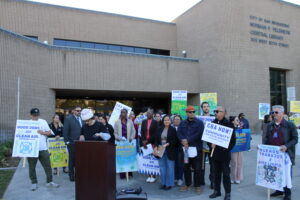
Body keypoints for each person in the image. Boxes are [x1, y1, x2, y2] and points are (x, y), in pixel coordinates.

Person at [264, 105, 298, 200]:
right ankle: (279, 190)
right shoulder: (270, 125)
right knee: (276, 173)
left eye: (276, 112)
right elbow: (267, 139)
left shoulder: (290, 125)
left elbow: (295, 139)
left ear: (282, 113)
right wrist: (263, 148)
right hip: (274, 155)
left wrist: (286, 146)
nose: (274, 114)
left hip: (286, 155)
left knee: (287, 174)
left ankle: (287, 193)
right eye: (272, 112)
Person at [28, 108, 59, 191]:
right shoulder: (27, 123)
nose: (36, 117)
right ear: (31, 115)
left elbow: (50, 132)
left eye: (37, 115)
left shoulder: (43, 121)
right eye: (34, 115)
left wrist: (43, 133)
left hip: (43, 148)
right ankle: (34, 183)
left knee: (48, 166)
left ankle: (49, 181)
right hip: (32, 149)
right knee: (31, 167)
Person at [209, 106, 236, 200]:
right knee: (216, 174)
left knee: (226, 175)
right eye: (215, 111)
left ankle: (228, 193)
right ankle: (217, 191)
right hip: (215, 154)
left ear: (224, 113)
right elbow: (209, 137)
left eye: (218, 111)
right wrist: (210, 144)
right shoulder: (212, 123)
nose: (216, 113)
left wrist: (226, 149)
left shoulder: (229, 124)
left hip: (224, 155)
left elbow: (233, 141)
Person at [177, 106, 204, 194]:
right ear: (187, 113)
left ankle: (197, 185)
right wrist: (182, 140)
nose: (192, 113)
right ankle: (187, 184)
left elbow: (199, 134)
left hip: (196, 149)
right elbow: (179, 133)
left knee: (197, 168)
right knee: (186, 167)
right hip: (185, 150)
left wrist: (187, 140)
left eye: (193, 111)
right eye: (190, 112)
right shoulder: (182, 123)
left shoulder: (200, 123)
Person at [154, 115, 179, 190]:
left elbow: (176, 140)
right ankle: (163, 183)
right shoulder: (159, 129)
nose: (166, 121)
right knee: (162, 167)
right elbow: (156, 139)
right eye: (165, 120)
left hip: (169, 149)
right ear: (163, 121)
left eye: (168, 120)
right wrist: (155, 147)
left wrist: (168, 144)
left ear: (170, 121)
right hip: (160, 149)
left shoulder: (173, 129)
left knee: (170, 167)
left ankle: (169, 184)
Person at [114, 109, 136, 179]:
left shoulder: (130, 122)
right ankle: (122, 175)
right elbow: (115, 133)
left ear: (127, 114)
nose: (123, 114)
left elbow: (133, 131)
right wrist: (117, 137)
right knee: (122, 158)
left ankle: (129, 173)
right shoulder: (117, 122)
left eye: (124, 112)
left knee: (128, 158)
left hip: (128, 143)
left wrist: (132, 137)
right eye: (121, 112)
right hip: (121, 143)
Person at [63, 106, 83, 182]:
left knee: (79, 159)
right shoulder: (69, 119)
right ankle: (71, 175)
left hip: (81, 143)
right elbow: (65, 131)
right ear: (73, 111)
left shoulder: (82, 118)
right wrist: (67, 142)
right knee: (72, 160)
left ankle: (79, 174)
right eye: (77, 110)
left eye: (80, 110)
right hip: (72, 143)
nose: (79, 112)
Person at [200, 101, 215, 189]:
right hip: (201, 145)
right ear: (202, 108)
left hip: (211, 146)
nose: (206, 108)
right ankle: (201, 181)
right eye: (204, 106)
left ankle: (212, 182)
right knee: (201, 165)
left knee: (212, 165)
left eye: (207, 106)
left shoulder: (214, 118)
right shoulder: (199, 118)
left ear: (209, 108)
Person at [141, 108, 158, 183]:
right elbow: (142, 132)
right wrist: (143, 141)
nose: (148, 114)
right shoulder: (144, 121)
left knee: (153, 160)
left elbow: (155, 134)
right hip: (145, 143)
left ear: (153, 114)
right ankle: (149, 175)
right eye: (147, 113)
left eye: (150, 113)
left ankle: (153, 175)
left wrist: (148, 141)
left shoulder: (155, 122)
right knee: (147, 160)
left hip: (152, 143)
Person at [229, 116, 243, 184]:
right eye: (237, 120)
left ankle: (238, 177)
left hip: (239, 148)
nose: (238, 121)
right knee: (233, 163)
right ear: (232, 121)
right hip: (233, 148)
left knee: (239, 163)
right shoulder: (230, 129)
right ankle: (232, 178)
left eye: (238, 120)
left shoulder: (240, 128)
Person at [172, 115, 184, 186]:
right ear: (173, 120)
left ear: (181, 120)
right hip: (172, 149)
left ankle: (180, 178)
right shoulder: (171, 128)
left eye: (178, 119)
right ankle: (175, 177)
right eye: (175, 119)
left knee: (180, 164)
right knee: (174, 164)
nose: (176, 120)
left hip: (180, 149)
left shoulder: (183, 128)